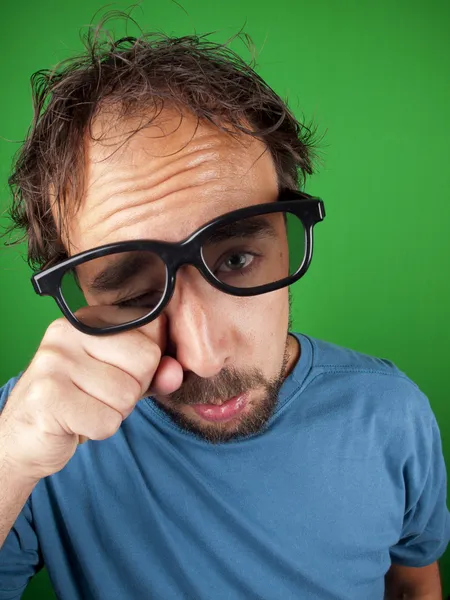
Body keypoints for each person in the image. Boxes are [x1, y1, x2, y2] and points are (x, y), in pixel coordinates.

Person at [0, 18, 449, 600]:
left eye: (237, 259)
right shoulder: (30, 437)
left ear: (287, 235)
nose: (205, 358)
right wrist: (10, 461)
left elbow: (414, 583)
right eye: (136, 293)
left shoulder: (392, 413)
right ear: (81, 294)